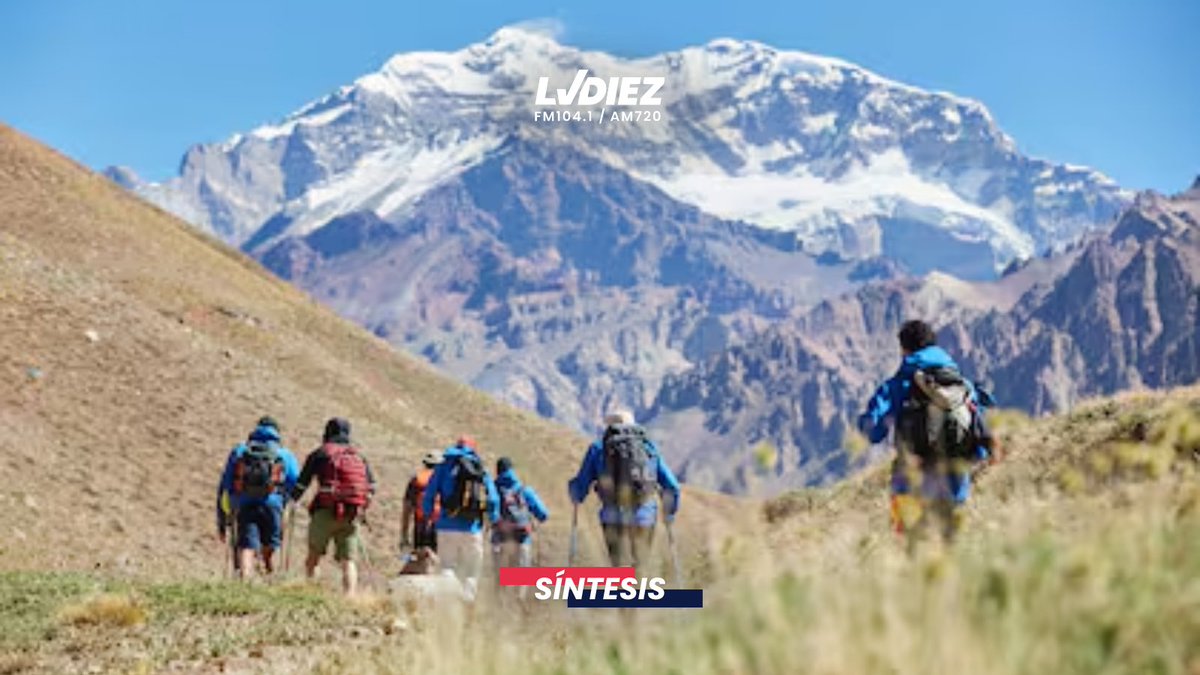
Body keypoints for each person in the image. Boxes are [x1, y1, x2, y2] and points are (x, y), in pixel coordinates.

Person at [857, 319, 994, 543]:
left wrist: (862, 422)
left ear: (904, 349)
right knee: (951, 549)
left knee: (909, 549)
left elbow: (873, 432)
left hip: (910, 483)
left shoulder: (897, 385)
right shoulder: (963, 386)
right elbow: (979, 436)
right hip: (955, 485)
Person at [568, 411, 681, 573]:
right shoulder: (649, 448)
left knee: (619, 568)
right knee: (641, 566)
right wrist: (669, 513)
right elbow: (672, 486)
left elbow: (580, 486)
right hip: (644, 515)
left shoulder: (598, 449)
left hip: (612, 516)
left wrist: (575, 492)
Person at [291, 418, 376, 594]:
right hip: (351, 514)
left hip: (324, 511)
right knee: (348, 561)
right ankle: (350, 597)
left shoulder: (320, 453)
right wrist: (362, 508)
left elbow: (302, 483)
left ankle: (311, 593)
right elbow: (371, 487)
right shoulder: (357, 456)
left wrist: (292, 501)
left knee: (313, 557)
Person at [216, 416, 300, 579]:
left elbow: (225, 485)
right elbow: (294, 483)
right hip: (273, 504)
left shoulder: (240, 451)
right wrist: (283, 502)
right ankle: (269, 577)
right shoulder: (284, 454)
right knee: (271, 546)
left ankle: (245, 579)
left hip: (245, 503)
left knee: (246, 546)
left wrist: (223, 520)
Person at [422, 435, 498, 601]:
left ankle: (449, 603)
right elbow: (493, 499)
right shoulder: (480, 467)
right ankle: (467, 602)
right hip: (472, 528)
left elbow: (429, 493)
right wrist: (493, 519)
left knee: (447, 567)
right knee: (471, 571)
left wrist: (429, 515)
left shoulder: (443, 466)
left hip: (446, 526)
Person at [492, 456, 549, 570]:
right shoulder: (524, 490)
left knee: (500, 578)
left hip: (500, 541)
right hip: (522, 540)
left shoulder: (493, 490)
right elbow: (543, 514)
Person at [401, 451, 442, 553]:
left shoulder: (416, 479)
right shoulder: (444, 480)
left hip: (421, 525)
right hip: (440, 526)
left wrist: (404, 535)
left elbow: (407, 509)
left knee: (421, 558)